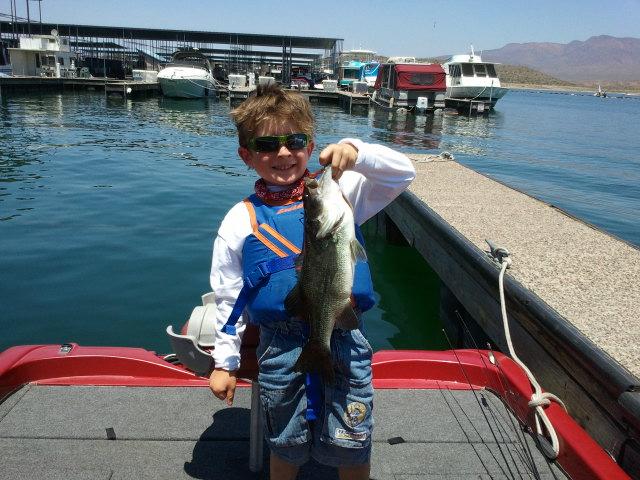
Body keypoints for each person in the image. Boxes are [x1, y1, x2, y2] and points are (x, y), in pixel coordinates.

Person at [208, 84, 415, 480]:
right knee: (284, 441)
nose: (284, 153)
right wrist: (225, 362)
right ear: (246, 155)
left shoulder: (339, 192)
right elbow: (229, 297)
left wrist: (357, 151)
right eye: (267, 144)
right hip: (280, 344)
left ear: (311, 144)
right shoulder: (239, 219)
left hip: (345, 336)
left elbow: (403, 172)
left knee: (352, 441)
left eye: (296, 141)